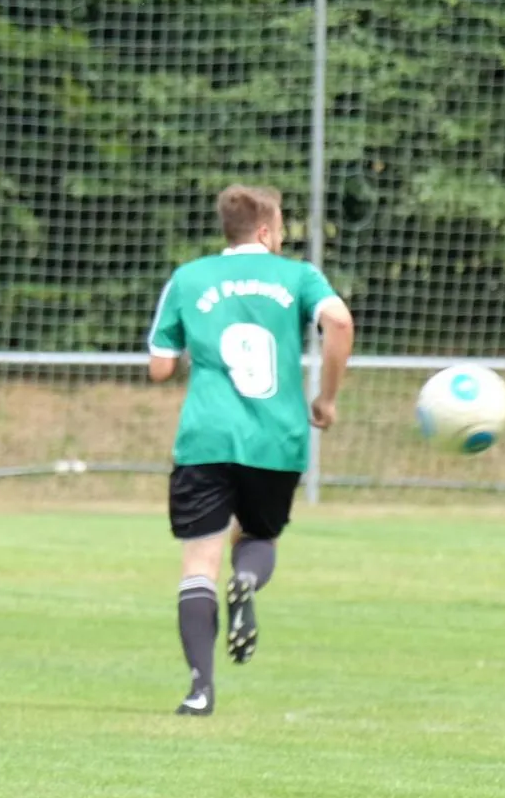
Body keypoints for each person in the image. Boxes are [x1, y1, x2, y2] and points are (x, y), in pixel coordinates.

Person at [144, 184, 355, 716]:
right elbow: (339, 321)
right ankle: (247, 579)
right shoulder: (298, 277)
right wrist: (326, 398)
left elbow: (160, 367)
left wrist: (197, 355)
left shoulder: (188, 278)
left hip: (206, 437)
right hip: (276, 439)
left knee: (199, 561)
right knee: (258, 536)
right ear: (265, 231)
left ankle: (199, 691)